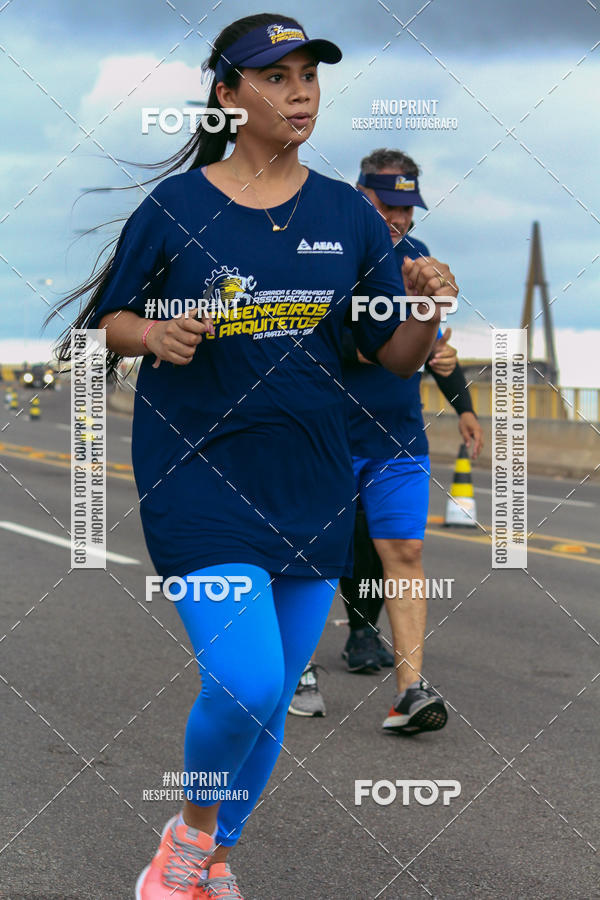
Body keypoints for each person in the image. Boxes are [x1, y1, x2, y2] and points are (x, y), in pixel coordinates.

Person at [49, 18, 457, 899]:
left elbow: (385, 355)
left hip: (312, 479)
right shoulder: (176, 209)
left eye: (309, 75)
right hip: (197, 476)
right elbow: (105, 327)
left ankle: (210, 856)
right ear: (229, 97)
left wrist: (428, 306)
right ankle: (186, 845)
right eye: (276, 78)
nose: (301, 91)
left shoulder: (348, 211)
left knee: (270, 698)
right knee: (245, 680)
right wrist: (153, 331)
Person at [289, 149, 483, 730]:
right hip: (324, 434)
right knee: (312, 557)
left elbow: (433, 350)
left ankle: (410, 692)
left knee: (406, 552)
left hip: (397, 437)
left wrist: (465, 406)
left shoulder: (418, 258)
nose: (398, 219)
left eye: (407, 208)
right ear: (359, 195)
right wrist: (416, 330)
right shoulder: (324, 254)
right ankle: (298, 672)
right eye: (387, 204)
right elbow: (356, 346)